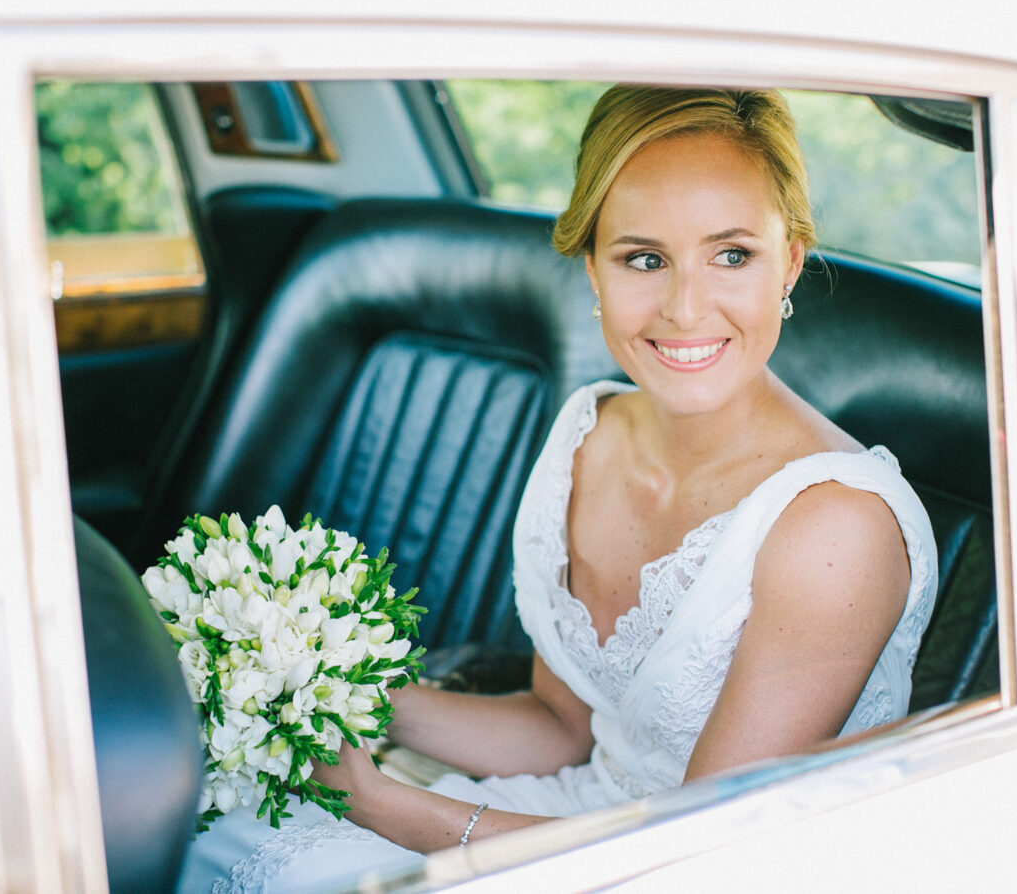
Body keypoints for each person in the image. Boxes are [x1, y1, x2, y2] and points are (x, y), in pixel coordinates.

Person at [178, 85, 937, 893]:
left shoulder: (833, 527)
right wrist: (325, 687)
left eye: (731, 255)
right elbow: (563, 729)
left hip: (680, 869)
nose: (685, 308)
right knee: (196, 832)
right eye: (643, 258)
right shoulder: (591, 434)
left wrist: (381, 805)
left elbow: (697, 856)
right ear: (593, 270)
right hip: (572, 811)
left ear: (787, 261)